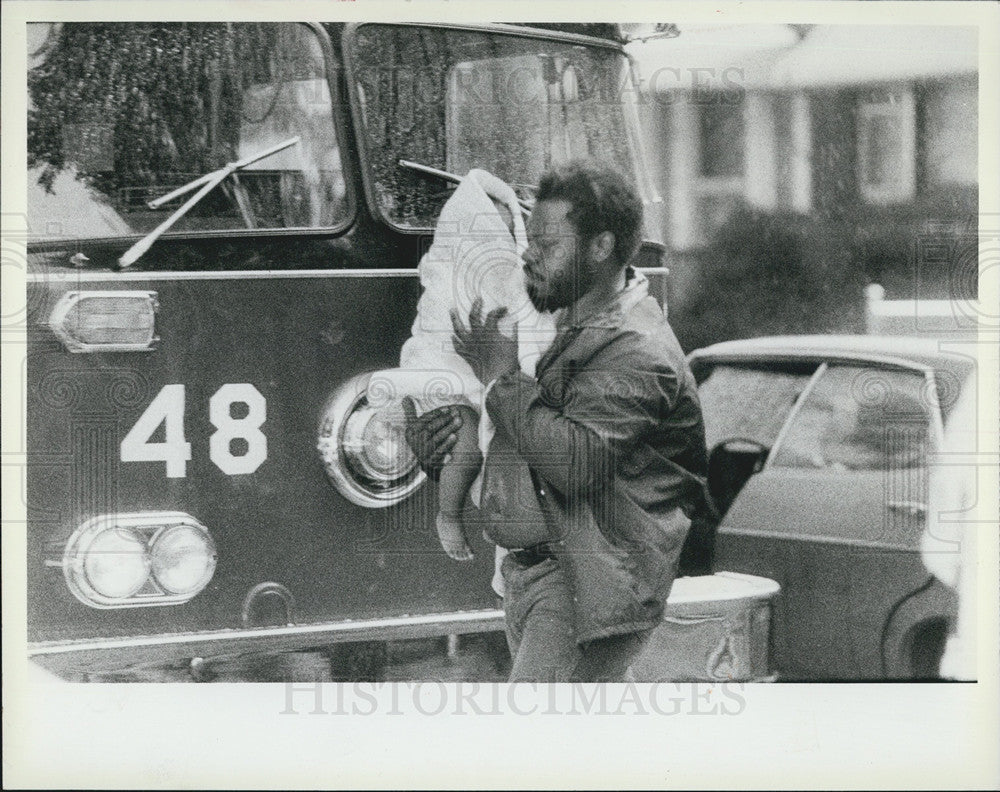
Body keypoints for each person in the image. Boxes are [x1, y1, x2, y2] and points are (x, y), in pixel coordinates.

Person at [406, 159, 708, 682]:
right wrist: (443, 442)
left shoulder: (637, 348)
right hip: (535, 578)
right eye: (531, 243)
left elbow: (573, 464)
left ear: (600, 248)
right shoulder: (564, 324)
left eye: (548, 246)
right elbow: (518, 447)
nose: (529, 258)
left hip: (583, 586)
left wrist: (498, 378)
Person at [372, 169, 556, 561]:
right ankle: (448, 513)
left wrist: (497, 375)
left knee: (469, 442)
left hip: (562, 560)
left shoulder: (613, 342)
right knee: (465, 439)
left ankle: (449, 512)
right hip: (519, 564)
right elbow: (441, 315)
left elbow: (565, 456)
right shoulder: (457, 276)